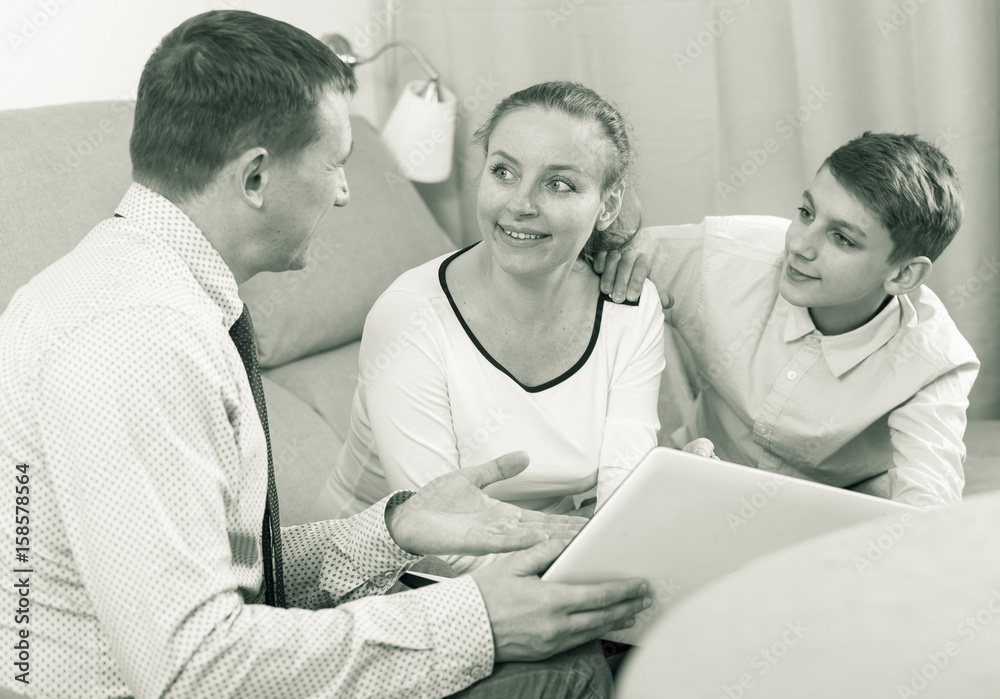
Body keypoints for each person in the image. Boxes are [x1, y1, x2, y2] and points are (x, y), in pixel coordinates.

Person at [0, 12, 653, 698]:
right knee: (562, 672)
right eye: (336, 164)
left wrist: (395, 527)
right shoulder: (135, 342)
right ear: (255, 177)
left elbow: (220, 569)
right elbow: (193, 667)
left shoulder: (153, 293)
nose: (345, 193)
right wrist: (477, 620)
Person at [324, 82, 679, 573]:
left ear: (607, 204)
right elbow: (437, 534)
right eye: (504, 172)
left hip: (553, 555)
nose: (520, 204)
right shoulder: (409, 317)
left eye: (559, 184)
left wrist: (621, 547)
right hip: (391, 569)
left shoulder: (629, 308)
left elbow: (623, 487)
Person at [639, 132, 979, 508]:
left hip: (829, 528)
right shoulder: (723, 255)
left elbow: (931, 504)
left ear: (903, 276)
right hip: (694, 484)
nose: (799, 246)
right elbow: (593, 259)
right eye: (806, 213)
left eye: (842, 239)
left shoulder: (935, 361)